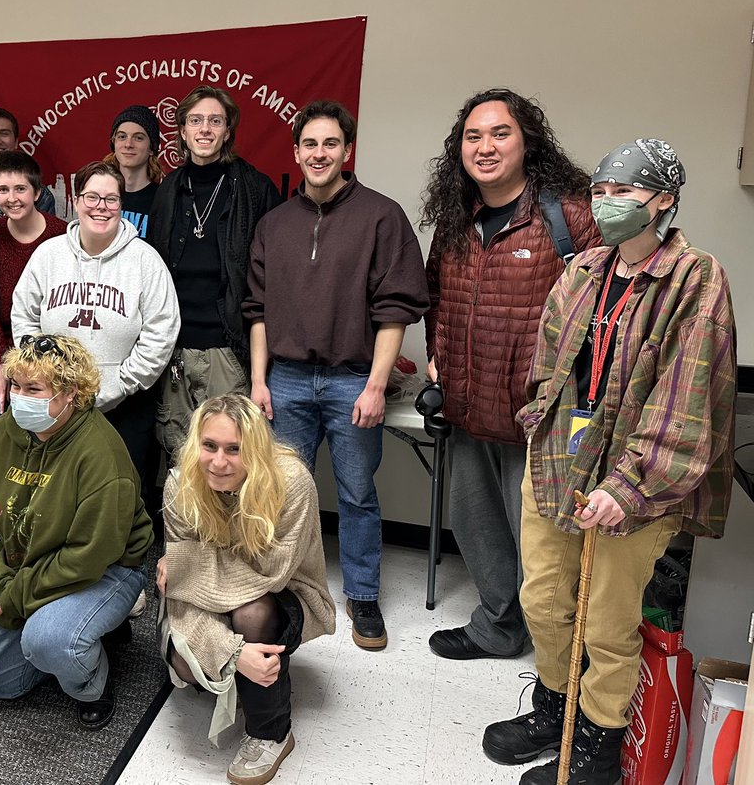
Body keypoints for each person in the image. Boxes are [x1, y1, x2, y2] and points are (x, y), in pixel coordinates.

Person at [483, 139, 736, 785]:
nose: (608, 202)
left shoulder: (695, 277)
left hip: (640, 475)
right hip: (564, 454)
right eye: (600, 191)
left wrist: (627, 487)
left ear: (665, 201)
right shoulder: (584, 269)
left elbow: (687, 393)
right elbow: (549, 359)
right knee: (542, 597)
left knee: (606, 621)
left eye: (625, 191)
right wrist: (542, 422)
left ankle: (594, 749)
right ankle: (553, 709)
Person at [420, 88, 600, 662]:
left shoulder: (567, 216)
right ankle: (498, 625)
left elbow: (603, 311)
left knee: (543, 539)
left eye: (500, 133)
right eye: (473, 136)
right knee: (475, 523)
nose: (486, 146)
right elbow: (435, 298)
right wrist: (437, 357)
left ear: (527, 143)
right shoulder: (456, 221)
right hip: (468, 405)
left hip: (540, 417)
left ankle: (557, 655)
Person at [246, 100, 428, 650]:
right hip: (287, 380)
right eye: (309, 144)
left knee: (356, 494)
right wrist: (259, 381)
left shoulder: (381, 217)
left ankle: (363, 595)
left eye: (330, 144)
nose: (319, 154)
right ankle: (279, 588)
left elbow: (395, 309)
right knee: (278, 493)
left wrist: (375, 386)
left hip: (352, 380)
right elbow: (256, 311)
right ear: (296, 152)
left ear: (347, 151)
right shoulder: (274, 225)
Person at [0, 333, 153, 729]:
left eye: (34, 388)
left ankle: (92, 683)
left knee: (49, 641)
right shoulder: (2, 432)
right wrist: (0, 585)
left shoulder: (101, 453)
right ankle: (87, 633)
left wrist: (17, 598)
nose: (19, 397)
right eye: (15, 385)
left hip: (103, 570)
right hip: (24, 567)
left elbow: (90, 553)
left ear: (71, 393)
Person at [159, 393, 335, 785]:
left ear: (254, 450)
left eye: (234, 450)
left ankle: (271, 732)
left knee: (252, 612)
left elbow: (268, 575)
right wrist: (233, 654)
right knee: (185, 667)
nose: (218, 462)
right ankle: (240, 671)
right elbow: (181, 595)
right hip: (210, 594)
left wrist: (186, 565)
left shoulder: (291, 483)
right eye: (209, 446)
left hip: (286, 592)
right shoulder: (180, 483)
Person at [12, 160, 179, 520]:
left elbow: (161, 331)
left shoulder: (145, 260)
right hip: (55, 402)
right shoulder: (48, 255)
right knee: (57, 493)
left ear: (122, 205)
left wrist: (117, 385)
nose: (101, 207)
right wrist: (45, 380)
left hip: (125, 403)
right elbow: (24, 316)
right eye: (92, 197)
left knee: (120, 497)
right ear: (76, 201)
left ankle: (124, 569)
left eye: (111, 199)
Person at [148, 85, 280, 466]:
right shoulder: (169, 190)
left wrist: (259, 371)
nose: (205, 129)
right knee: (180, 462)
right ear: (183, 131)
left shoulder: (256, 189)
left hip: (230, 352)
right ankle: (185, 530)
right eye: (196, 120)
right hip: (174, 352)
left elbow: (268, 284)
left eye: (215, 121)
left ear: (227, 131)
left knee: (231, 465)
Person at [0, 150, 66, 433]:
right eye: (3, 189)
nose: (12, 198)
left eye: (20, 189)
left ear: (37, 192)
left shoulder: (63, 235)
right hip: (1, 352)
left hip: (52, 353)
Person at [105, 104, 162, 239]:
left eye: (138, 138)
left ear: (152, 148)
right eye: (122, 136)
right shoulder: (100, 193)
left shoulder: (163, 199)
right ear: (114, 145)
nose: (128, 144)